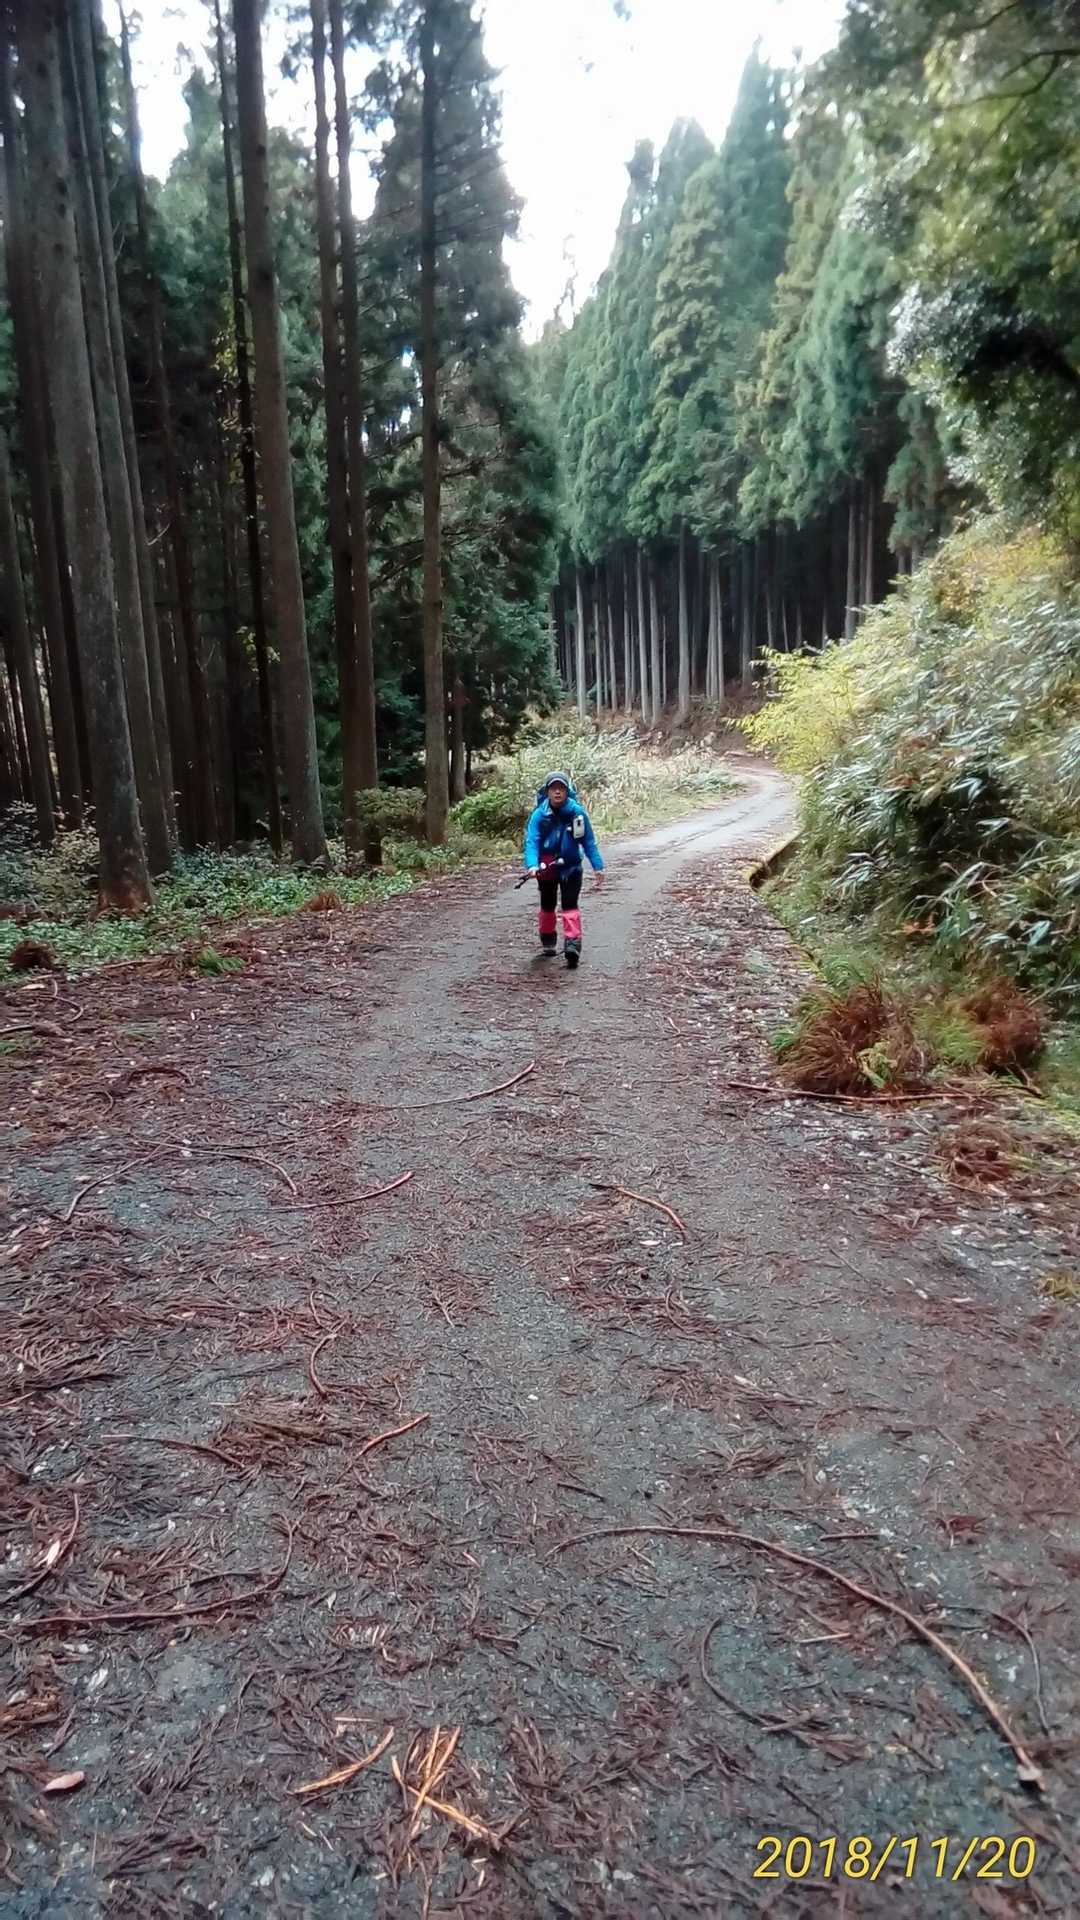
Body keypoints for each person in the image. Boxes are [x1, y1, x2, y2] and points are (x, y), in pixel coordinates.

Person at [522, 771, 604, 969]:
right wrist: (532, 865)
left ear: (568, 791)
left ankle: (572, 944)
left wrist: (598, 866)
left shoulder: (577, 813)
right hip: (547, 867)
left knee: (570, 904)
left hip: (571, 867)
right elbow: (532, 842)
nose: (557, 792)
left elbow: (588, 841)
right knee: (547, 904)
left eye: (561, 788)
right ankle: (548, 938)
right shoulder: (539, 815)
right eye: (553, 789)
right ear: (547, 791)